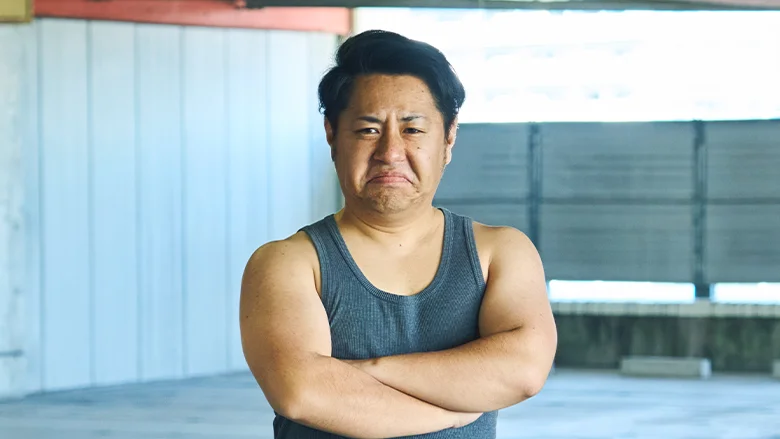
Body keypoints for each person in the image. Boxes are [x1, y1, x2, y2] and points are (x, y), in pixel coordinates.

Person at [239, 29, 558, 439]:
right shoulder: (287, 263)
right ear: (332, 135)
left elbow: (523, 371)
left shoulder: (499, 252)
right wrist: (455, 413)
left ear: (449, 138)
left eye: (413, 130)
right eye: (368, 130)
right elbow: (302, 393)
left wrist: (363, 371)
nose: (390, 152)